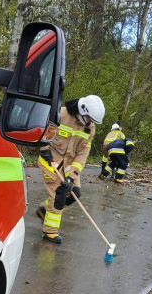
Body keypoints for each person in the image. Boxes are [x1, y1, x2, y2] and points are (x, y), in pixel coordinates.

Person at [36, 95, 105, 243]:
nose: (91, 123)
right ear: (82, 110)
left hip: (69, 163)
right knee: (59, 196)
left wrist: (71, 175)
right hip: (51, 160)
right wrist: (44, 149)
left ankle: (44, 211)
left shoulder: (89, 128)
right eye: (90, 119)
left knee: (74, 193)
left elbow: (82, 153)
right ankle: (50, 232)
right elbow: (45, 133)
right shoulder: (60, 114)